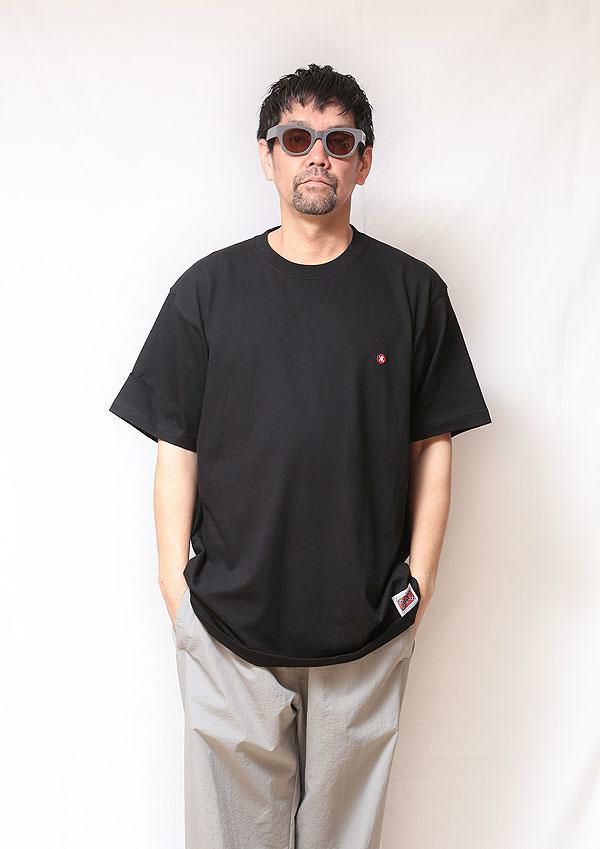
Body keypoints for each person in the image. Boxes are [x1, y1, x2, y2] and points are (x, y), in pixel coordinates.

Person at [108, 62, 492, 849]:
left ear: (364, 160)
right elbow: (175, 444)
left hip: (367, 626)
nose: (317, 155)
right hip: (228, 626)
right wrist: (176, 592)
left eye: (338, 140)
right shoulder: (207, 292)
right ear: (267, 154)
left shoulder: (413, 293)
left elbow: (434, 443)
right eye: (296, 138)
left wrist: (419, 584)